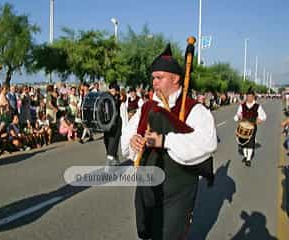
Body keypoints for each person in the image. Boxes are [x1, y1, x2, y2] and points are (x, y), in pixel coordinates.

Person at [121, 45, 217, 240]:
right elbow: (126, 139)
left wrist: (165, 140)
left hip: (178, 190)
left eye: (160, 78)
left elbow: (207, 143)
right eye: (153, 78)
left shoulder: (195, 110)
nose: (154, 83)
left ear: (176, 79)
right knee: (148, 232)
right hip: (147, 186)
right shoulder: (146, 107)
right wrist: (133, 142)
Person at [234, 88, 266, 166]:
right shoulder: (242, 105)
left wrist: (259, 120)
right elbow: (238, 114)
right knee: (243, 143)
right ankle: (245, 156)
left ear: (253, 97)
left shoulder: (258, 106)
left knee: (251, 143)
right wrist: (238, 117)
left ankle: (248, 159)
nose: (249, 98)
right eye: (248, 96)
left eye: (251, 96)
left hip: (252, 127)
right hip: (243, 126)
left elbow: (264, 116)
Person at [104, 82, 122, 166]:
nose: (111, 92)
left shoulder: (118, 98)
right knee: (107, 145)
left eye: (113, 90)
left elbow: (118, 102)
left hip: (116, 125)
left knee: (111, 148)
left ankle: (107, 170)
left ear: (117, 91)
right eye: (110, 90)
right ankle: (116, 159)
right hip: (108, 125)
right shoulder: (107, 98)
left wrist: (116, 95)